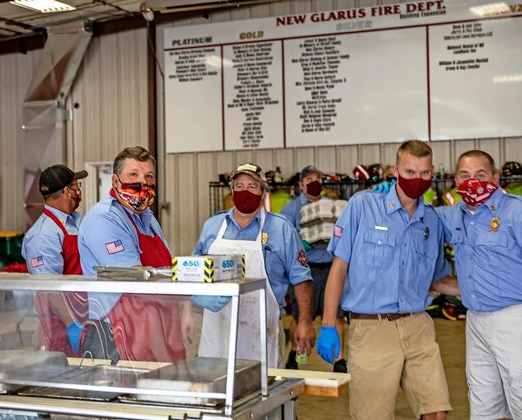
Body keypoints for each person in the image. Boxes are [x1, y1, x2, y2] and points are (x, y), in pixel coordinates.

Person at [318, 140, 455, 420]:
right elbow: (339, 269)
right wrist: (328, 323)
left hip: (418, 326)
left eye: (424, 174)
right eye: (409, 172)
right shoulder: (363, 206)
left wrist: (491, 295)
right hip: (372, 329)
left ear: (432, 173)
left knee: (436, 414)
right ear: (395, 169)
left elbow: (438, 281)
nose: (417, 180)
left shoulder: (432, 221)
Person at [438, 150, 522, 419]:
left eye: (480, 175)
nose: (472, 181)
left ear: (495, 177)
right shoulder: (453, 216)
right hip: (476, 323)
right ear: (455, 180)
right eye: (464, 175)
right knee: (486, 407)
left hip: (519, 322)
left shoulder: (519, 211)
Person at [191, 163, 315, 368]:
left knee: (263, 394)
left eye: (252, 186)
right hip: (216, 335)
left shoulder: (281, 228)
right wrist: (187, 313)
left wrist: (305, 321)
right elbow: (193, 273)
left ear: (263, 192)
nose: (244, 191)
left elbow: (301, 279)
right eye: (239, 186)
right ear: (232, 191)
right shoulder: (212, 226)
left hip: (261, 335)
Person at [77, 146, 187, 363]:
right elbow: (136, 278)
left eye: (149, 176)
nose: (142, 182)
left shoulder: (149, 219)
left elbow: (170, 269)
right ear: (116, 181)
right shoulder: (104, 218)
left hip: (158, 326)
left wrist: (188, 306)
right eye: (133, 175)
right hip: (115, 336)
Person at [279, 165, 347, 371]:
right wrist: (302, 241)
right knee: (301, 316)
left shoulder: (331, 205)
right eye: (309, 180)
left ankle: (339, 360)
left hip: (331, 268)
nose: (314, 182)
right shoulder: (291, 209)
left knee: (336, 315)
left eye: (317, 178)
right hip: (304, 271)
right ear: (301, 185)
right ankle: (295, 353)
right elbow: (283, 237)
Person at [22, 164, 89, 356]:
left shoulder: (76, 222)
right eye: (77, 187)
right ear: (67, 191)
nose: (79, 192)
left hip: (85, 319)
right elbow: (48, 287)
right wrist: (72, 326)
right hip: (59, 328)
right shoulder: (44, 234)